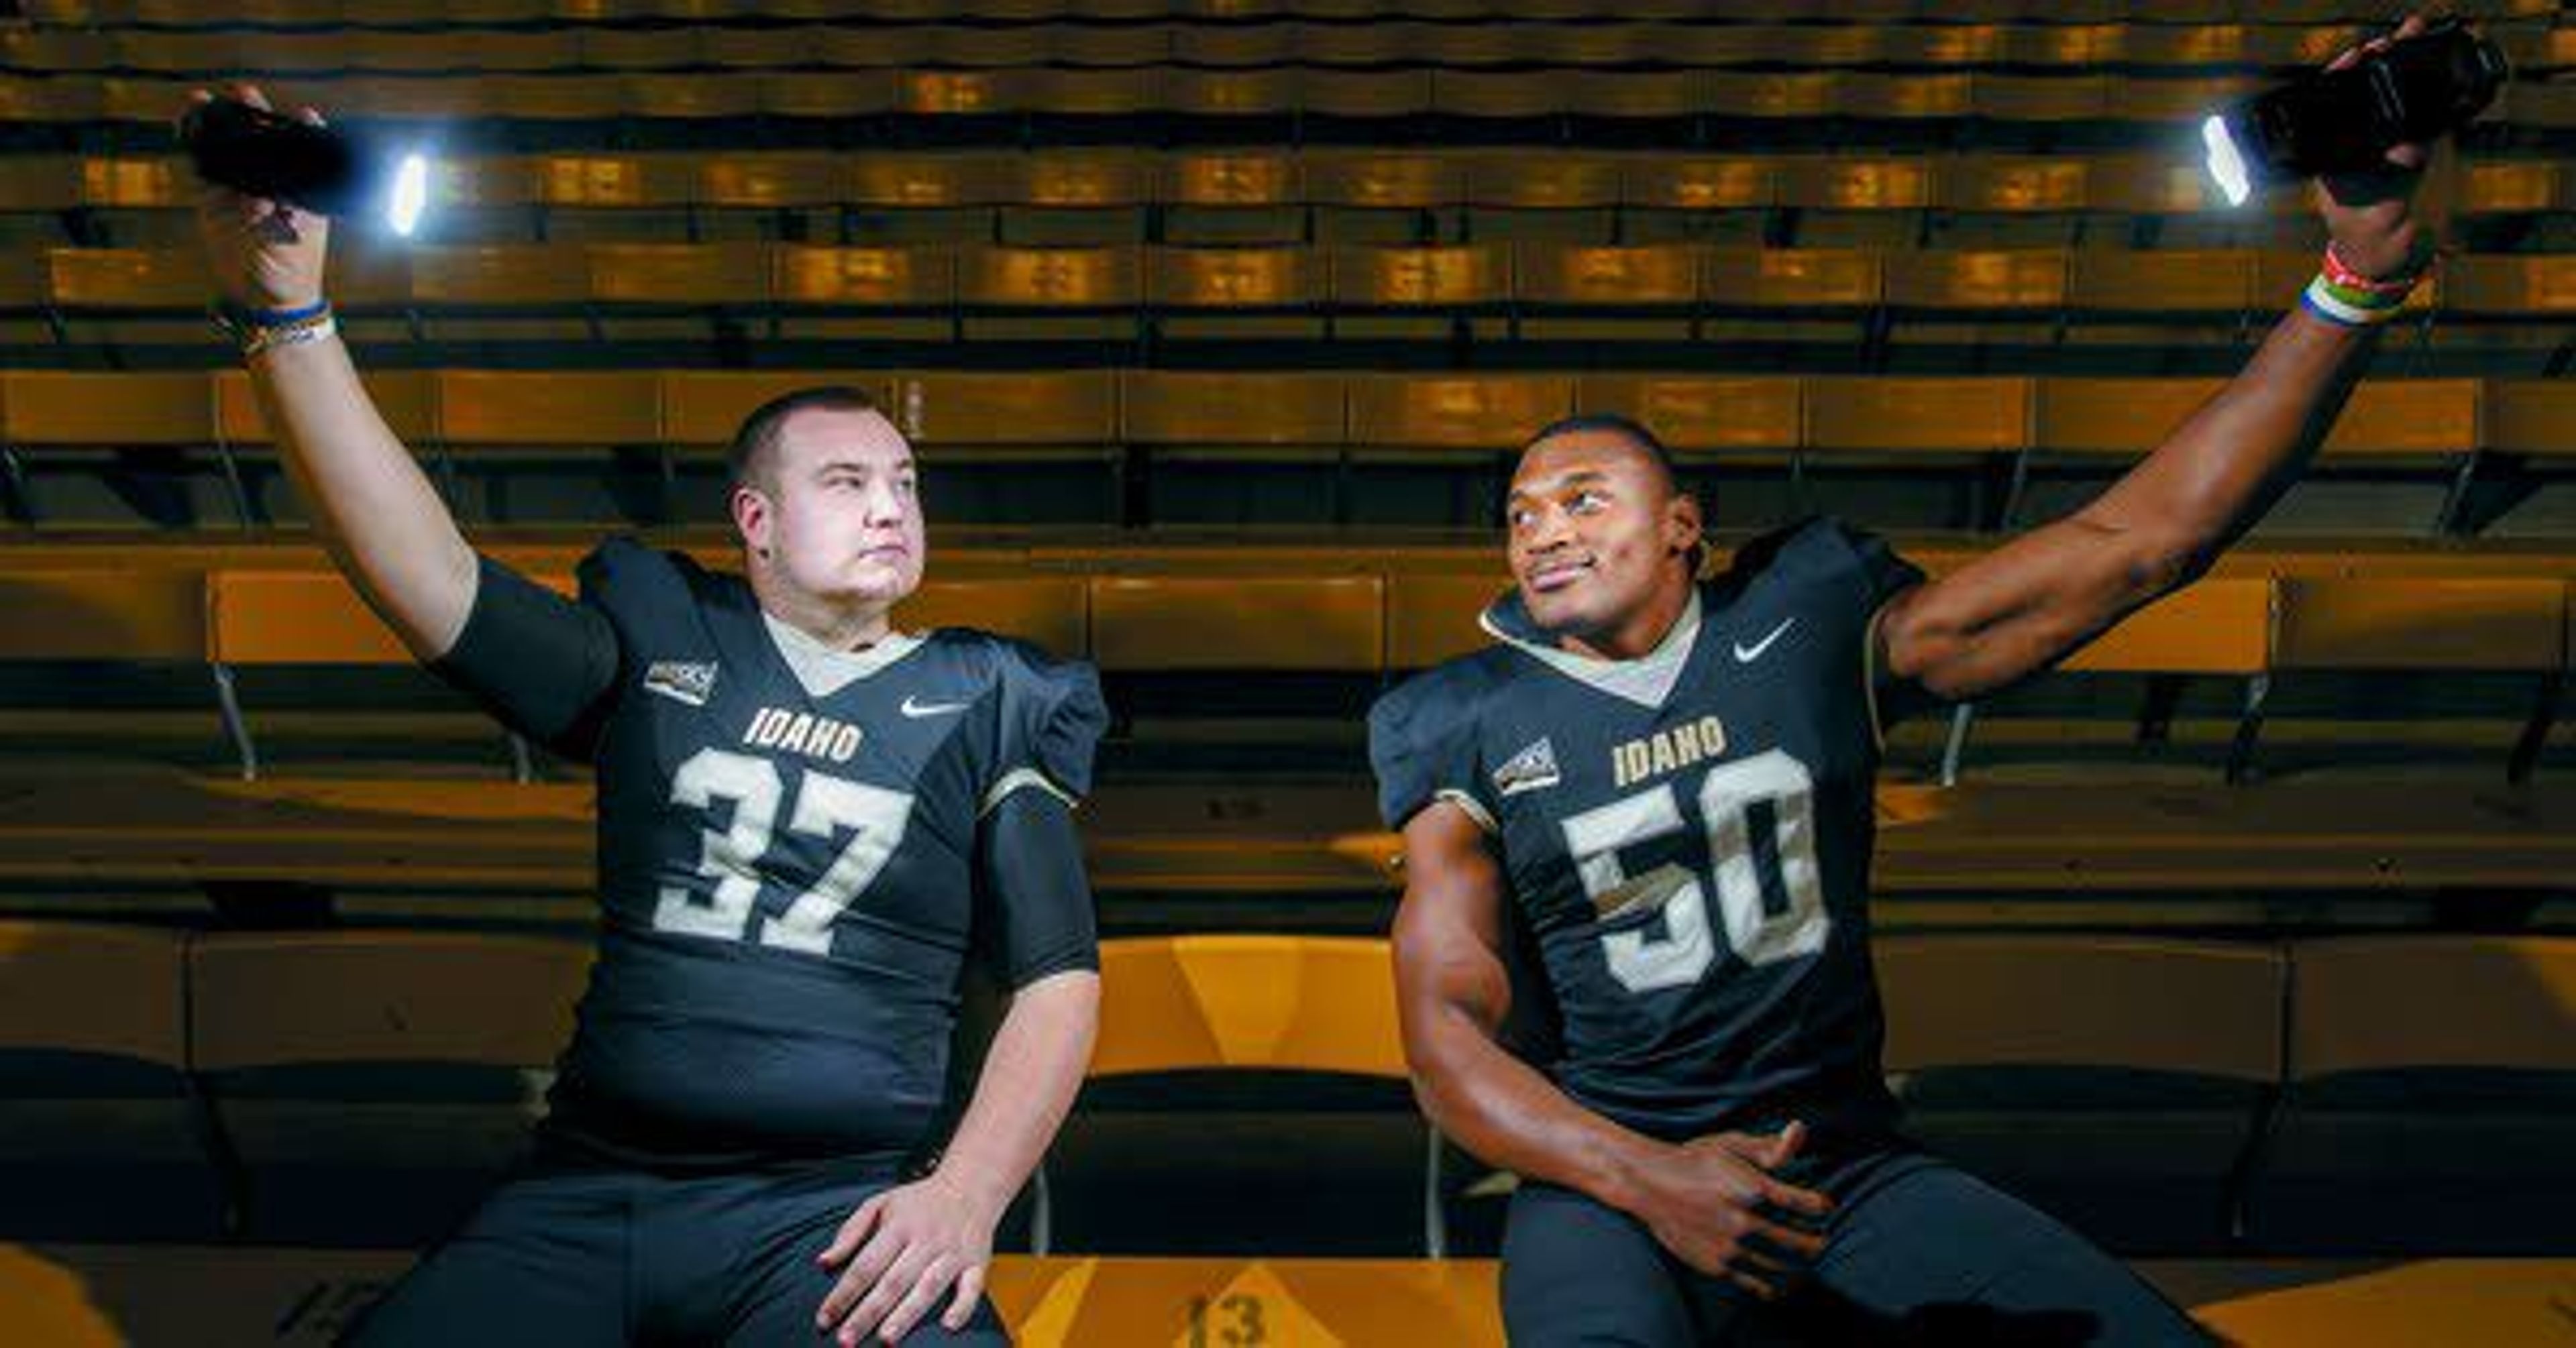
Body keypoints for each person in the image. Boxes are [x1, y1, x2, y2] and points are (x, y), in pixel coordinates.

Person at [1370, 19, 2450, 1347]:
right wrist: (1648, 1179)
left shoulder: (1809, 623)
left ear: (1683, 528)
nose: (1542, 525)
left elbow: (2139, 545)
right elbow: (1448, 1044)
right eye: (1520, 509)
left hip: (1839, 1165)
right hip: (1602, 1182)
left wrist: (2359, 279)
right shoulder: (1467, 721)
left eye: (1584, 496)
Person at [191, 83, 1103, 1347]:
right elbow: (429, 582)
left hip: (833, 1215)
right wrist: (289, 314)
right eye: (846, 480)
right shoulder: (669, 634)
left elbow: (1059, 976)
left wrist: (965, 1194)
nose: (892, 504)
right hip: (592, 1193)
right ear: (757, 523)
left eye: (904, 480)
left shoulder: (996, 691)